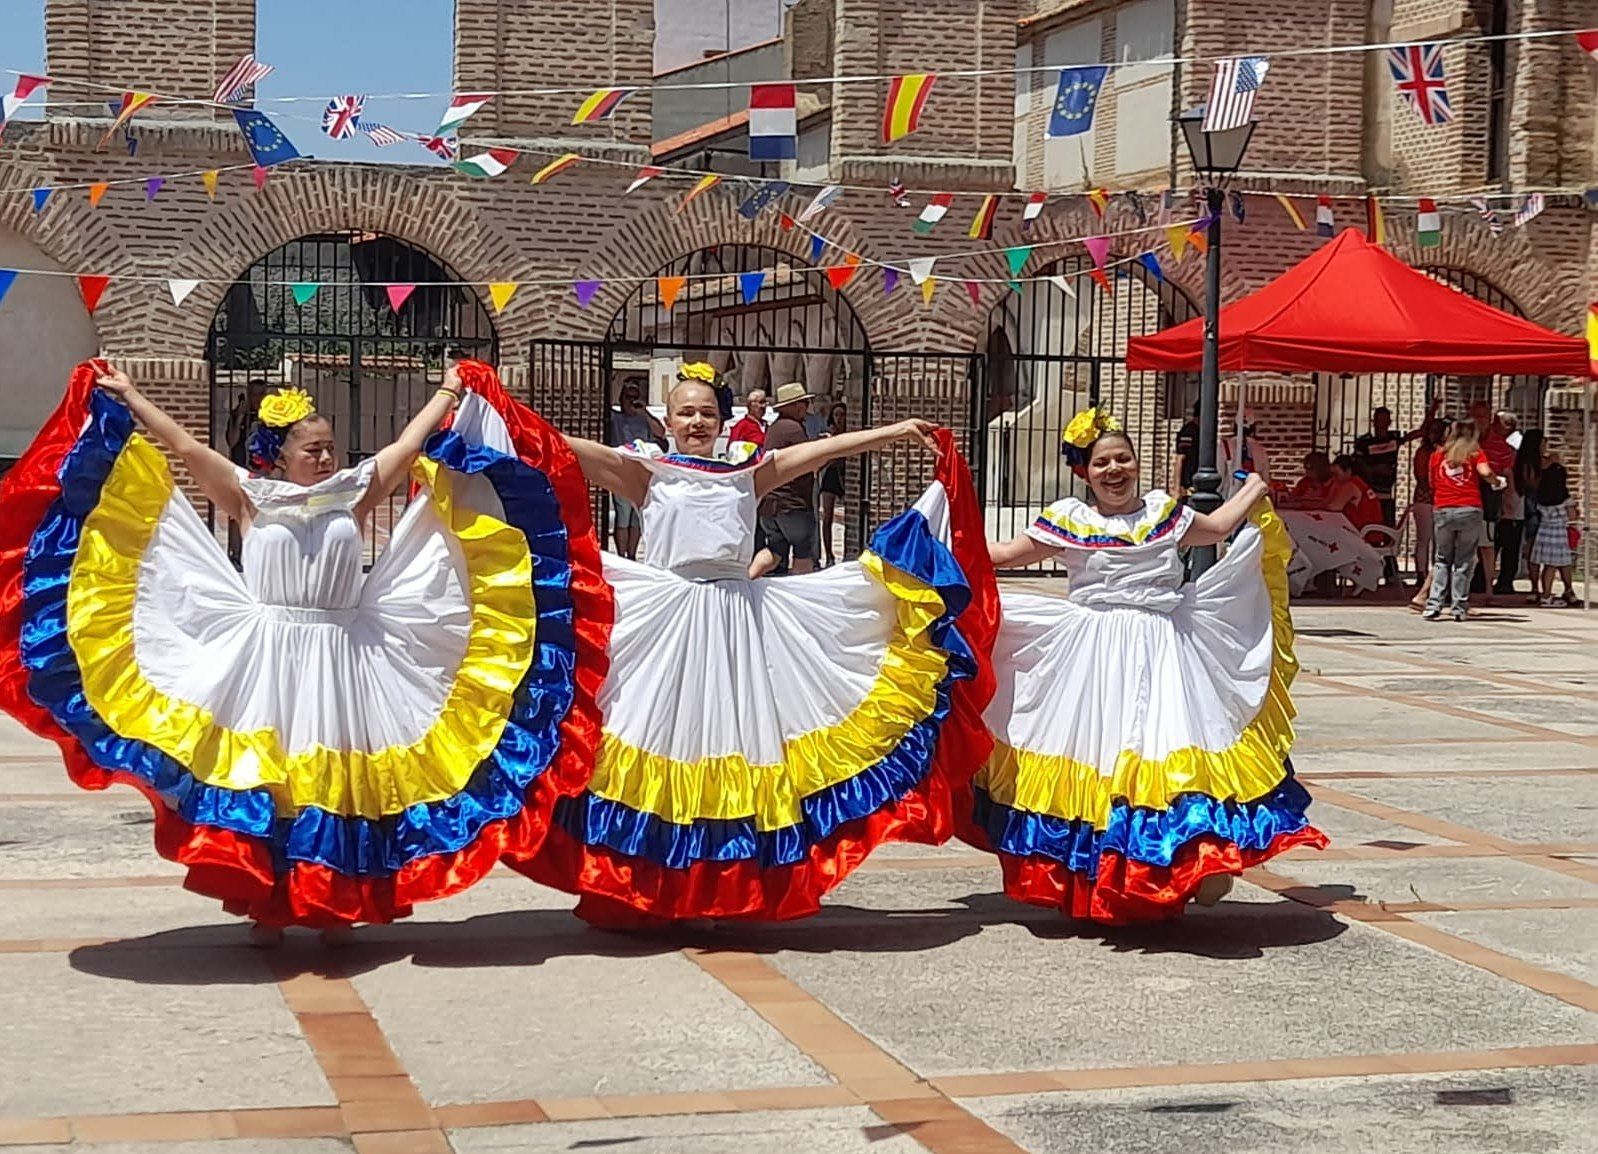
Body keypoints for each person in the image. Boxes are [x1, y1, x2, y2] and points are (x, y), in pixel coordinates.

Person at [0, 358, 605, 942]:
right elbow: (185, 448)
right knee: (272, 781)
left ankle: (335, 901)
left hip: (343, 653)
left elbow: (408, 447)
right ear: (280, 454)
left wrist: (449, 393)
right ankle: (268, 903)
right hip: (269, 655)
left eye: (329, 446)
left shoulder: (352, 492)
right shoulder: (249, 496)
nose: (325, 456)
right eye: (311, 448)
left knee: (337, 784)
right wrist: (130, 397)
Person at [509, 376, 996, 926]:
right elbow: (558, 446)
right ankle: (643, 888)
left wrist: (896, 430)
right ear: (666, 422)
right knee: (656, 740)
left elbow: (821, 450)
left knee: (730, 742)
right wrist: (494, 407)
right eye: (685, 413)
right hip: (667, 621)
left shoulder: (747, 472)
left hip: (738, 622)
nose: (696, 422)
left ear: (722, 419)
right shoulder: (647, 472)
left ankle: (726, 885)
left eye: (706, 413)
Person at [968, 407, 1324, 923]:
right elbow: (1002, 554)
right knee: (1103, 760)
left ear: (1138, 463)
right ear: (1082, 472)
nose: (1114, 470)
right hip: (1091, 655)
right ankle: (1107, 882)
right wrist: (941, 542)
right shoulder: (1072, 519)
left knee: (1169, 753)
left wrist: (1255, 488)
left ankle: (1190, 864)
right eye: (1101, 463)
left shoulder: (1164, 513)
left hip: (1164, 648)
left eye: (1123, 459)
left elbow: (1219, 527)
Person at [1424, 419, 1505, 622]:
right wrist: (1497, 482)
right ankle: (1459, 607)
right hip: (1469, 508)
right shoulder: (1475, 453)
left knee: (1442, 558)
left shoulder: (1438, 455)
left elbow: (1432, 482)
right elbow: (1485, 472)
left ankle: (1434, 605)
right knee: (1464, 560)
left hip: (1443, 508)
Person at [754, 382, 821, 576]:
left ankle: (749, 578)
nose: (805, 408)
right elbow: (807, 460)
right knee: (803, 551)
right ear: (794, 406)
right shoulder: (793, 428)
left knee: (775, 551)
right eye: (803, 403)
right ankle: (801, 596)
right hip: (792, 506)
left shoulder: (775, 428)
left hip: (769, 506)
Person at [1353, 401, 1440, 527]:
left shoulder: (1393, 438)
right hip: (1369, 493)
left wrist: (1432, 411)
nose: (1381, 424)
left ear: (1389, 422)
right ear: (1373, 421)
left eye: (1385, 420)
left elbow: (1420, 432)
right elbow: (1357, 466)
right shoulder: (1364, 442)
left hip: (1387, 493)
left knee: (1388, 528)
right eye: (1379, 420)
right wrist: (1375, 469)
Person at [608, 378, 667, 560]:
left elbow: (661, 432)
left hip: (643, 473)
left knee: (637, 518)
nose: (631, 400)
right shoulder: (616, 418)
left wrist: (644, 412)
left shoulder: (645, 420)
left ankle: (632, 556)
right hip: (622, 472)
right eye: (628, 397)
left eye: (635, 397)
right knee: (623, 516)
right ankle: (621, 556)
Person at [1469, 400, 1515, 603]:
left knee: (1487, 545)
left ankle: (1488, 587)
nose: (1480, 422)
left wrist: (1509, 498)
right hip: (1466, 497)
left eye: (1484, 417)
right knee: (1461, 546)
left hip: (1489, 499)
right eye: (1476, 417)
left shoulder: (1500, 445)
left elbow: (1507, 472)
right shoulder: (1464, 442)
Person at [223, 379, 269, 564]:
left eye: (261, 394)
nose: (257, 398)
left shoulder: (270, 417)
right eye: (254, 394)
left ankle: (256, 553)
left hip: (261, 469)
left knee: (259, 512)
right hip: (240, 466)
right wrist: (240, 418)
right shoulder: (237, 414)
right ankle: (235, 553)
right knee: (236, 511)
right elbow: (231, 441)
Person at [1407, 420, 1446, 611]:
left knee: (1426, 539)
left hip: (1427, 497)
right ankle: (1423, 574)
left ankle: (1424, 573)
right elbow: (1422, 476)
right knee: (1428, 540)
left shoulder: (1425, 452)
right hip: (1429, 497)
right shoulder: (1433, 453)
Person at [1530, 452, 1578, 607]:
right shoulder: (1564, 498)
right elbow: (1572, 516)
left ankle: (1561, 591)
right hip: (1558, 532)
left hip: (1544, 531)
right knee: (1554, 565)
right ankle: (1546, 596)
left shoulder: (1541, 495)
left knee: (1549, 564)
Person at [1492, 412, 1526, 598]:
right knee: (1498, 540)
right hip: (1506, 498)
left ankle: (1506, 580)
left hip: (1512, 499)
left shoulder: (1513, 444)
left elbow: (1511, 471)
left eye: (1497, 423)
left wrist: (1511, 496)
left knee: (1509, 542)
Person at [1515, 430, 1546, 605]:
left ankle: (1536, 585)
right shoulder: (1530, 463)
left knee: (1534, 547)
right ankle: (1535, 585)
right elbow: (1531, 483)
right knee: (1533, 546)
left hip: (1532, 505)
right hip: (1533, 506)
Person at [817, 401, 849, 567]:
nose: (839, 418)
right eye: (836, 415)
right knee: (827, 517)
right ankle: (828, 554)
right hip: (831, 475)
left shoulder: (851, 434)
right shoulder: (830, 435)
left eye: (842, 415)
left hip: (847, 474)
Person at [1169, 401, 1200, 498]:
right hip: (1189, 486)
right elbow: (1180, 459)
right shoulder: (1188, 432)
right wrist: (1177, 489)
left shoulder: (1202, 432)